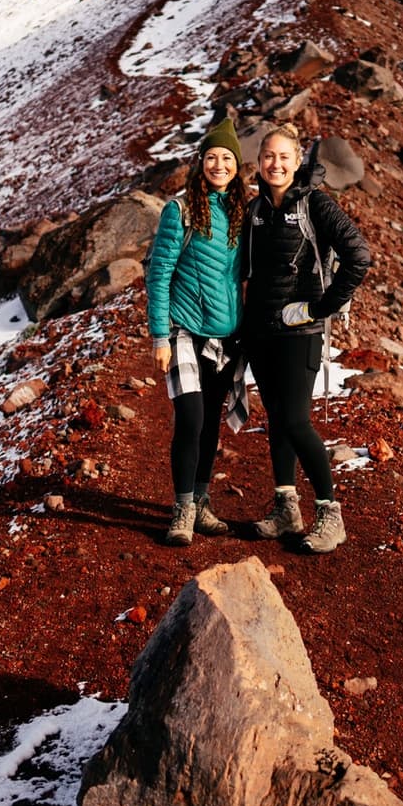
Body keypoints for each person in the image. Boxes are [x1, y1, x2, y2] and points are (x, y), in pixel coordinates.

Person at [239, 122, 371, 553]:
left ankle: (331, 515)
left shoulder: (316, 204)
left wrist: (319, 308)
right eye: (268, 157)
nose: (275, 164)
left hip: (302, 332)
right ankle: (285, 509)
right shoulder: (256, 209)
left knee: (296, 421)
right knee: (277, 419)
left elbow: (359, 256)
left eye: (284, 157)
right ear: (258, 163)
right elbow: (245, 270)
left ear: (298, 161)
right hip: (261, 331)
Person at [145, 117, 249, 546]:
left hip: (228, 336)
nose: (219, 164)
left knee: (210, 426)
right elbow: (159, 273)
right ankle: (183, 508)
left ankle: (203, 502)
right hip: (184, 331)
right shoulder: (181, 209)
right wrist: (159, 337)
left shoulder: (244, 210)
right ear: (200, 162)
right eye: (212, 157)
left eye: (227, 158)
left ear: (237, 166)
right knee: (190, 418)